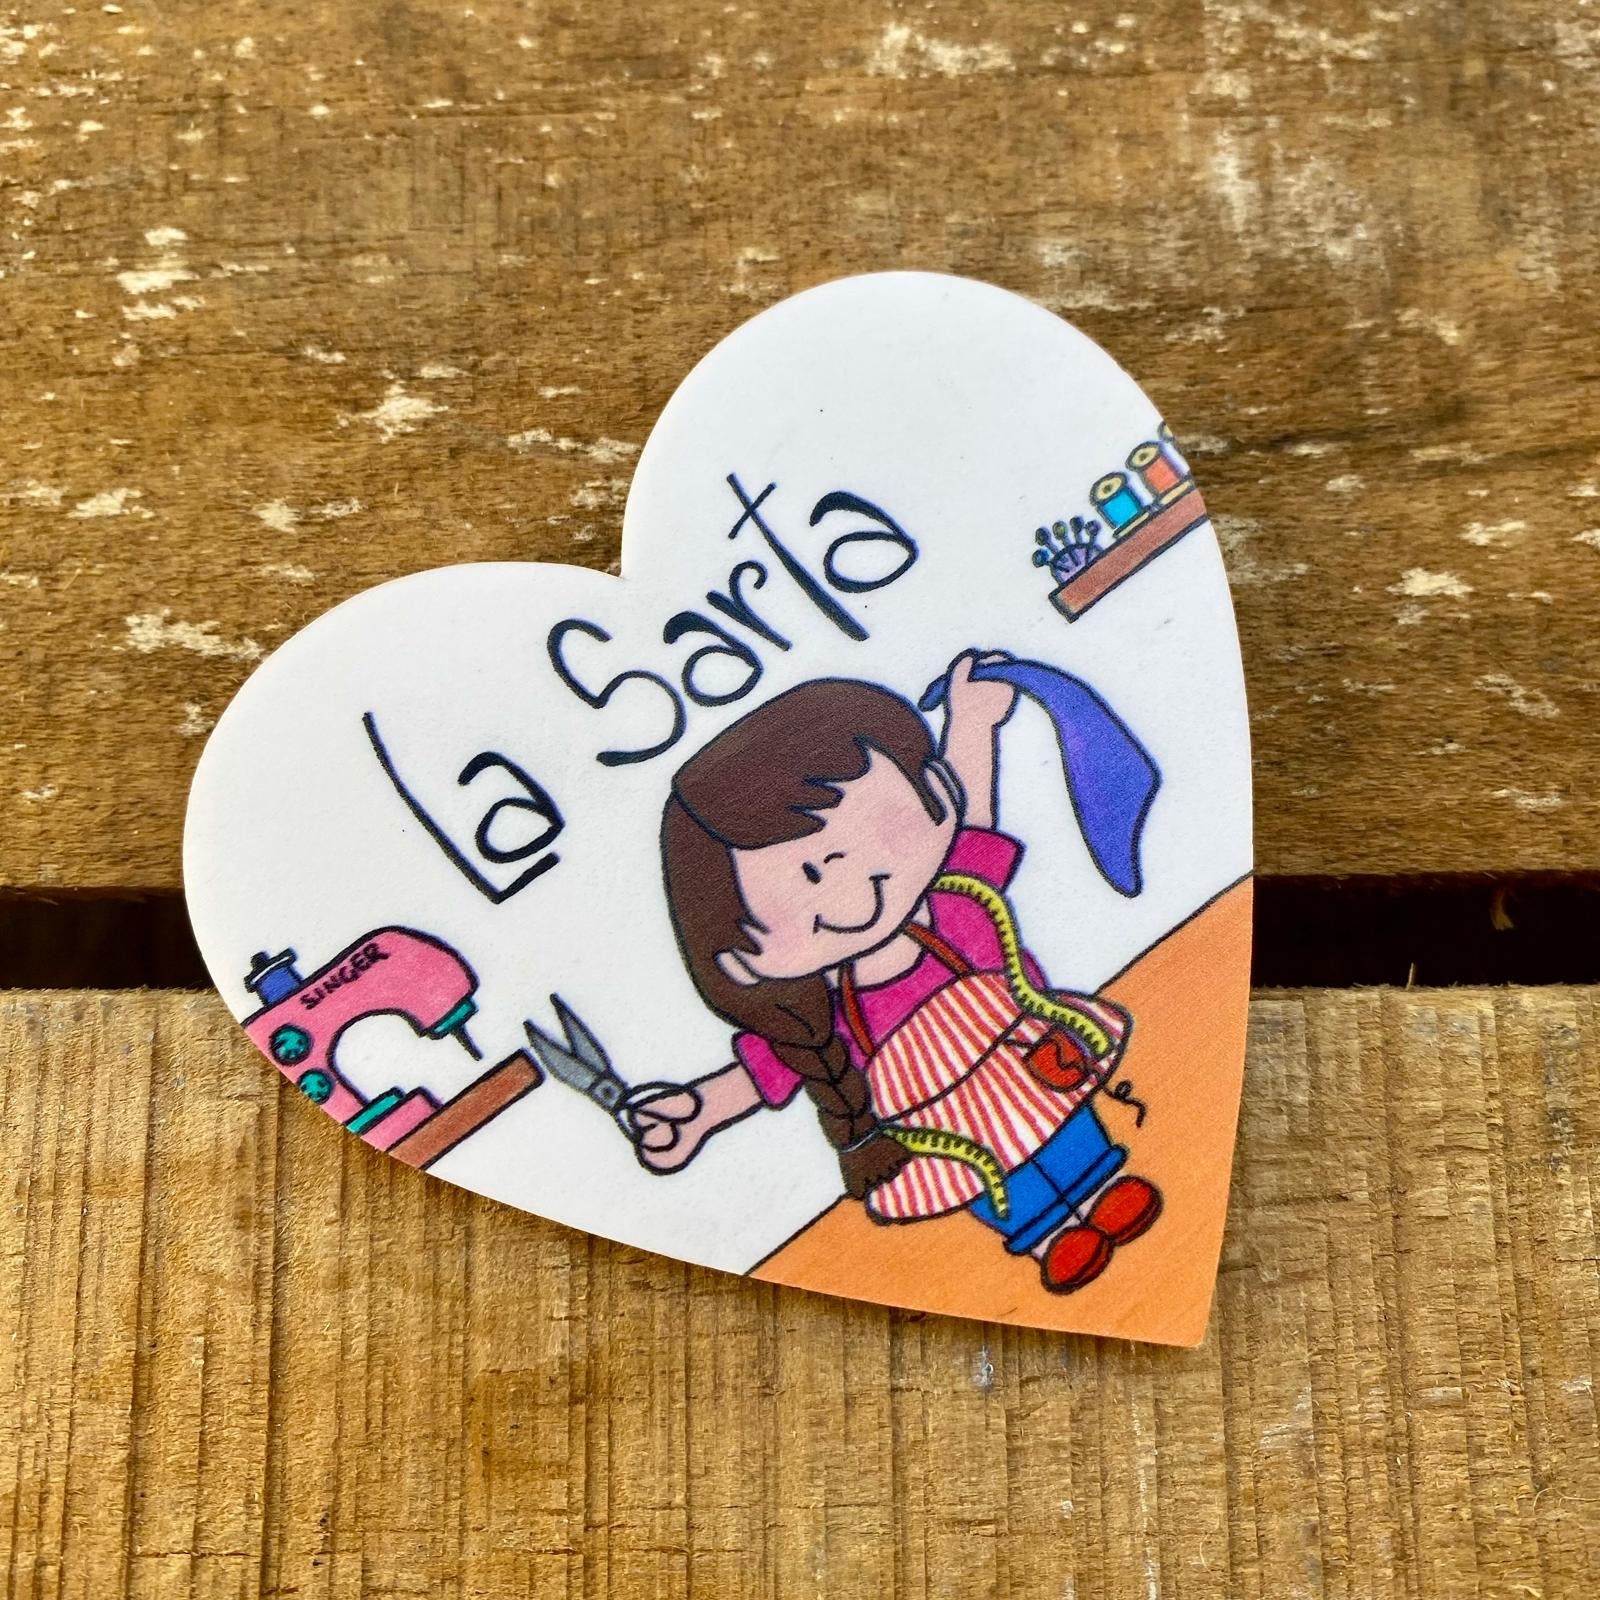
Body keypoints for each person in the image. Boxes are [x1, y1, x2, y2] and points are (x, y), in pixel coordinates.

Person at [642, 652, 1162, 1294]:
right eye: (807, 876)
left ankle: (1103, 1189)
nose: (848, 888)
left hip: (1029, 1069)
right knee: (998, 1184)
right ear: (737, 949)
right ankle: (1051, 1237)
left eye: (867, 836)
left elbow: (974, 823)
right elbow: (767, 1070)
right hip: (945, 1134)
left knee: (1067, 1131)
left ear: (934, 793)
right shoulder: (817, 1020)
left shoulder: (961, 905)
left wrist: (972, 723)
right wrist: (699, 1111)